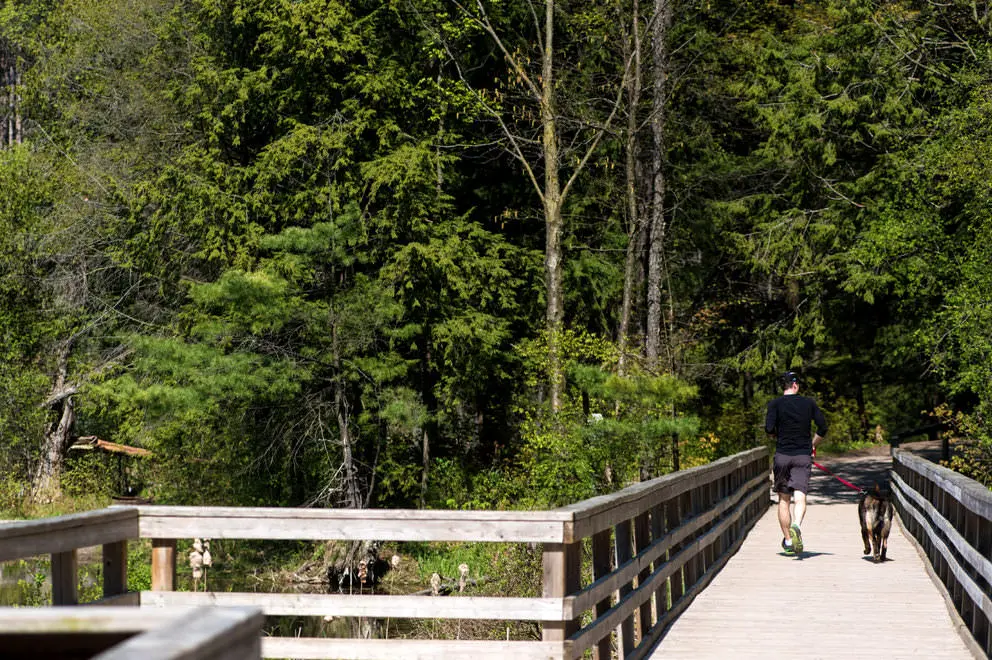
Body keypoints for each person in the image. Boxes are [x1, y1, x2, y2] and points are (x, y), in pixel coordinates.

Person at [765, 371, 827, 554]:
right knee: (800, 496)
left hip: (782, 455)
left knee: (783, 499)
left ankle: (789, 541)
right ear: (795, 385)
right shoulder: (809, 403)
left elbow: (768, 429)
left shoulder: (774, 404)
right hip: (802, 456)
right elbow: (823, 427)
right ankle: (796, 525)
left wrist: (776, 435)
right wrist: (812, 445)